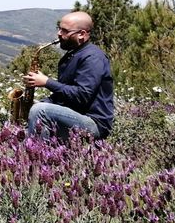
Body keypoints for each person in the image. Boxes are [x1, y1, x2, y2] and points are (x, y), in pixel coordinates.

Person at [22, 11, 114, 141]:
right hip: (76, 115)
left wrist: (47, 82)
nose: (59, 34)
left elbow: (81, 96)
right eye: (59, 29)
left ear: (81, 34)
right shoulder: (71, 55)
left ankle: (34, 151)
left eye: (65, 31)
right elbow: (65, 95)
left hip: (94, 124)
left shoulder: (93, 58)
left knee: (40, 111)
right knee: (37, 108)